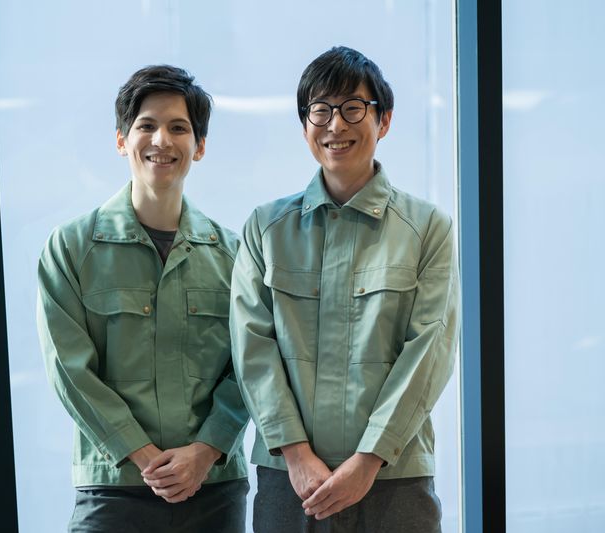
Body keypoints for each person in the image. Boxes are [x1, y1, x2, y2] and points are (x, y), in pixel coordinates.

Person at [230, 46, 460, 532]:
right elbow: (251, 348)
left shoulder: (427, 228)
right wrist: (296, 454)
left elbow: (430, 350)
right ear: (305, 125)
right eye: (320, 110)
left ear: (384, 120)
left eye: (353, 108)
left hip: (395, 477)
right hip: (289, 480)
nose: (336, 125)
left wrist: (371, 457)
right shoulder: (266, 228)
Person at [37, 65, 249, 533]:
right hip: (114, 487)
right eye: (146, 125)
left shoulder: (234, 254)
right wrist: (143, 456)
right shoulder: (71, 247)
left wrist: (205, 452)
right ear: (121, 140)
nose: (161, 140)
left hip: (213, 488)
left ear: (200, 146)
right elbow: (69, 369)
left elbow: (251, 366)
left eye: (179, 128)